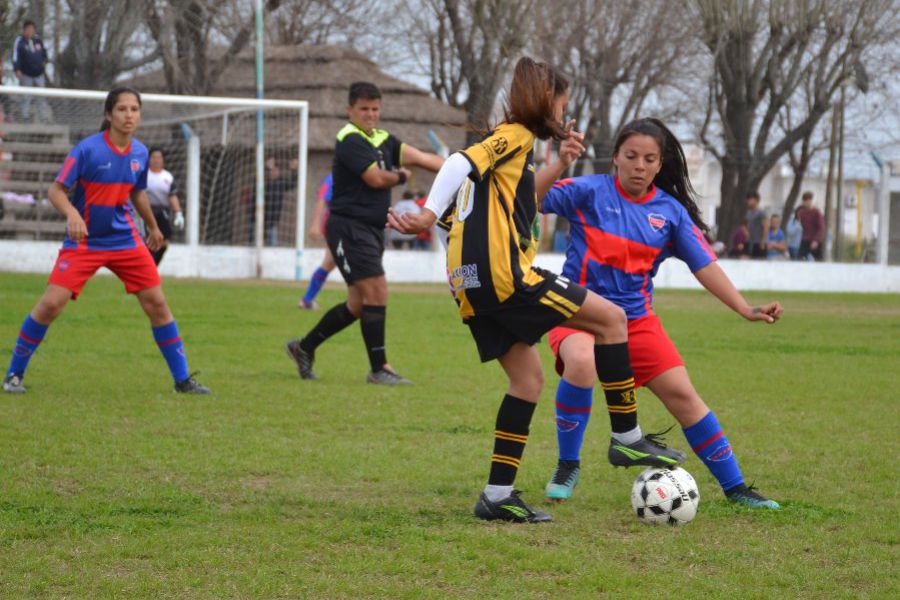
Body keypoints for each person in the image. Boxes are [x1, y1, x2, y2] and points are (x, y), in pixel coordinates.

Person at [388, 58, 682, 523]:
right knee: (612, 319)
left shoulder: (514, 152)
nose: (564, 114)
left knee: (527, 381)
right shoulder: (516, 133)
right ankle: (626, 438)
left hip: (467, 284)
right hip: (505, 275)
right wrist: (426, 213)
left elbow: (523, 202)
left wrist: (562, 161)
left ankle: (497, 495)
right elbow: (458, 163)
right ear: (546, 100)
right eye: (562, 103)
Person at [539, 117, 782, 509]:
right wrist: (560, 163)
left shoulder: (669, 213)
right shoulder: (587, 191)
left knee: (684, 396)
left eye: (649, 159)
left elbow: (705, 265)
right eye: (631, 156)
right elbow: (528, 199)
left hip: (636, 322)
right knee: (581, 361)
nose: (639, 165)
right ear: (615, 156)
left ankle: (737, 489)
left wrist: (744, 308)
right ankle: (568, 464)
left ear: (659, 163)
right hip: (578, 313)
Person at [2, 87, 210, 395]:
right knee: (50, 304)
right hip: (85, 242)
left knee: (157, 303)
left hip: (125, 240)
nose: (129, 115)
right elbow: (56, 191)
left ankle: (182, 380)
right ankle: (13, 375)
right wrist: (72, 214)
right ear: (109, 114)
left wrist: (152, 227)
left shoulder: (140, 152)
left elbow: (136, 193)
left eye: (134, 109)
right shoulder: (87, 150)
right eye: (122, 109)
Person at [285, 81, 443, 385]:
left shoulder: (384, 139)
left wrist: (467, 170)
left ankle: (303, 347)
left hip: (371, 230)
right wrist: (400, 176)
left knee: (359, 304)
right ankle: (379, 368)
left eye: (375, 109)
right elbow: (374, 178)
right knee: (377, 290)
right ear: (350, 110)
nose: (370, 115)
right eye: (364, 109)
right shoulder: (349, 139)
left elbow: (424, 159)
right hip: (348, 228)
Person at [298, 173, 335, 310]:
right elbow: (322, 197)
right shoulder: (333, 176)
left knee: (329, 262)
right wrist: (315, 224)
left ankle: (307, 300)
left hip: (341, 223)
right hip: (336, 222)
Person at [145, 147, 184, 265]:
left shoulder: (167, 177)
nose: (156, 160)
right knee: (146, 240)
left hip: (163, 211)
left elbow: (172, 196)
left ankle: (153, 265)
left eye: (159, 158)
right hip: (146, 211)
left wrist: (178, 213)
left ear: (163, 160)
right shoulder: (144, 175)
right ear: (149, 159)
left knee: (164, 241)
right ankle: (146, 266)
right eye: (153, 157)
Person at [12, 20, 50, 123]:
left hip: (39, 74)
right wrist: (17, 69)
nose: (30, 31)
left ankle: (43, 118)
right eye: (28, 29)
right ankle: (25, 117)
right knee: (26, 96)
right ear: (24, 30)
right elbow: (16, 56)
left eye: (32, 29)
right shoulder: (20, 41)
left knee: (41, 96)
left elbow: (43, 52)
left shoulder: (38, 40)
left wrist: (45, 61)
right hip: (26, 74)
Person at [263, 157, 299, 246]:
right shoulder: (263, 183)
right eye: (272, 170)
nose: (275, 172)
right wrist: (266, 167)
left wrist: (294, 170)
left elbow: (293, 184)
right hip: (258, 222)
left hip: (273, 222)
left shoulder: (280, 183)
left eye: (277, 170)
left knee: (273, 245)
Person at [797, 191, 825, 261]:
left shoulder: (817, 212)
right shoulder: (802, 213)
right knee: (799, 258)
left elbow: (821, 228)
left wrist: (816, 240)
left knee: (819, 259)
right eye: (805, 201)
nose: (807, 203)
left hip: (815, 240)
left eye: (809, 200)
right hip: (805, 239)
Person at [745, 192, 767, 259]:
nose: (748, 201)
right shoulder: (748, 212)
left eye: (750, 199)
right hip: (750, 242)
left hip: (758, 242)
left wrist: (763, 241)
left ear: (755, 200)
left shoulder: (761, 213)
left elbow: (765, 227)